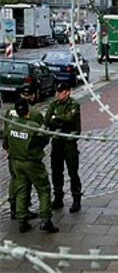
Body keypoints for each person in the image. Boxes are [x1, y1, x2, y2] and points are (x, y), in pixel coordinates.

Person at [3, 99, 59, 233]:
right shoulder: (33, 126)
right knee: (43, 189)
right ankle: (46, 220)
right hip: (32, 162)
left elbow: (5, 142)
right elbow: (44, 140)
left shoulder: (12, 124)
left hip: (17, 162)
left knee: (21, 189)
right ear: (28, 110)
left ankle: (22, 219)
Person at [3, 85, 43, 220]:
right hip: (27, 154)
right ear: (31, 96)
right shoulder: (34, 113)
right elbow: (41, 135)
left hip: (12, 151)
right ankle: (23, 210)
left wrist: (7, 147)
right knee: (25, 183)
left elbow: (5, 131)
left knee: (15, 179)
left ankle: (14, 208)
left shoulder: (10, 110)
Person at [45, 82, 82, 213]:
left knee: (73, 172)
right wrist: (59, 120)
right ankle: (58, 197)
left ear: (67, 92)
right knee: (56, 171)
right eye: (57, 92)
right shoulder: (53, 104)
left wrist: (57, 119)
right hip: (57, 143)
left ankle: (76, 198)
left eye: (60, 92)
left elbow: (70, 119)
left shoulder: (73, 104)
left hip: (69, 143)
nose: (57, 94)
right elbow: (47, 120)